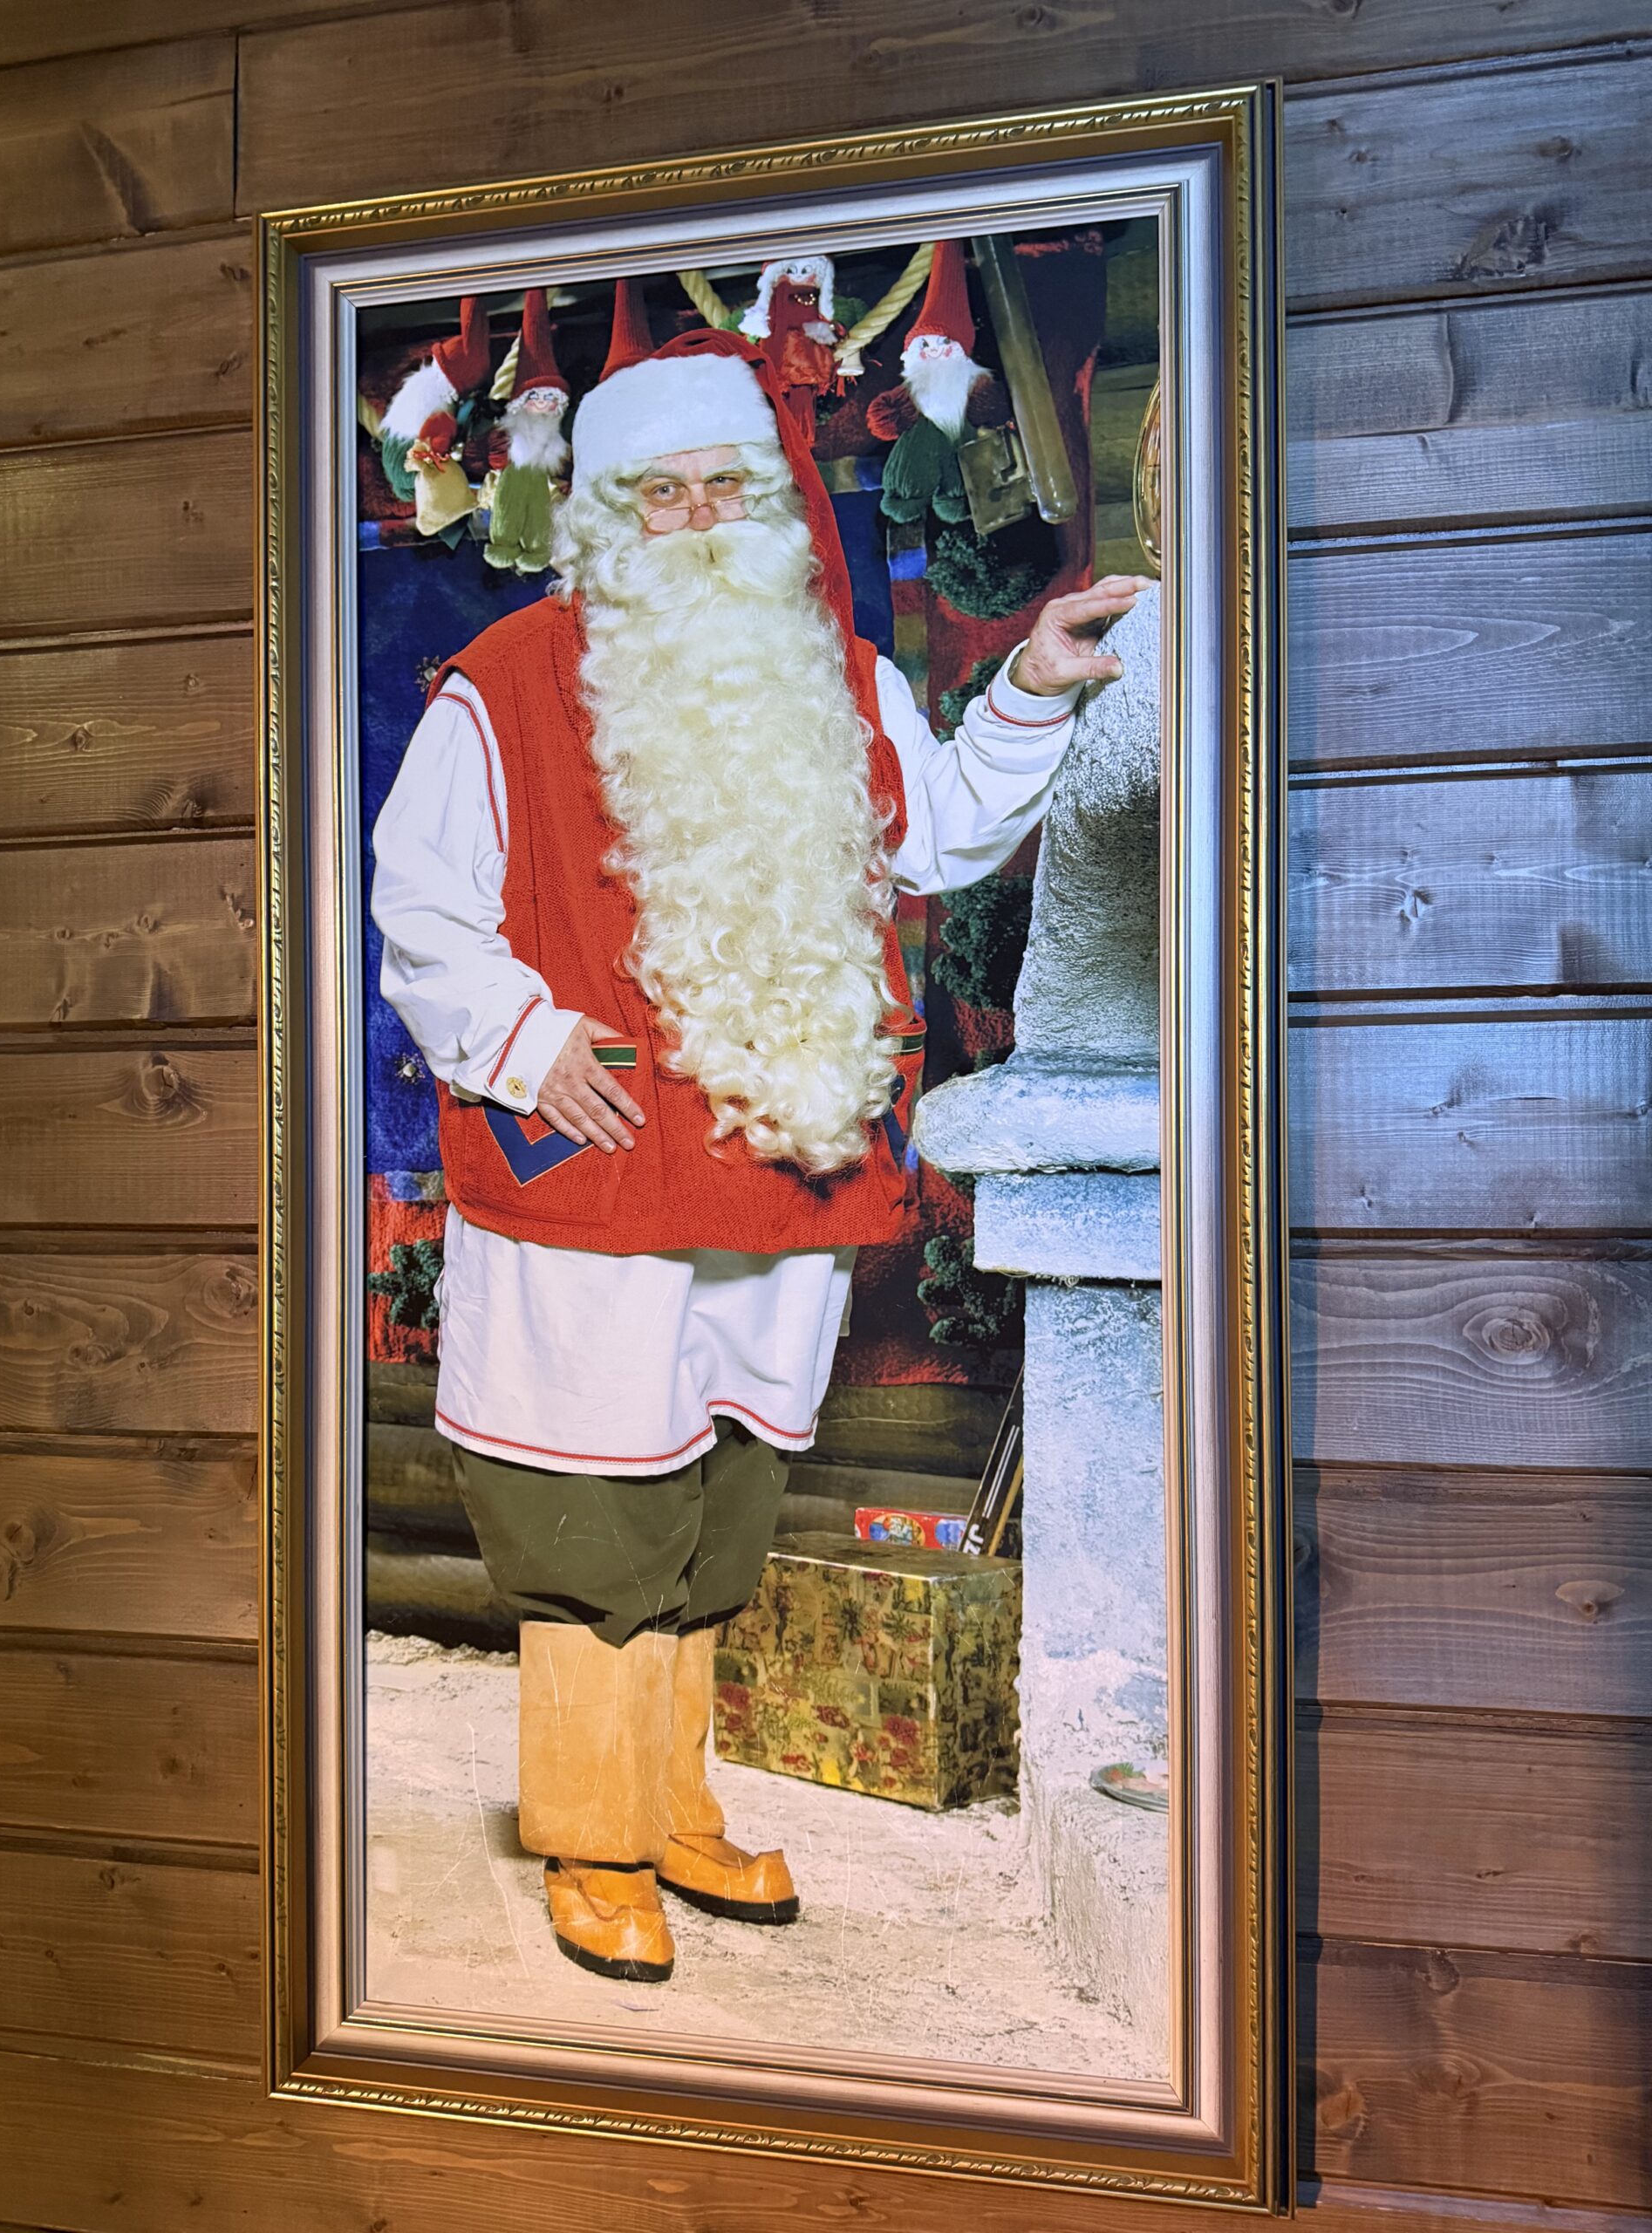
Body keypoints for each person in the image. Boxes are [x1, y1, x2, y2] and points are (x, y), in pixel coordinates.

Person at [371, 324, 1138, 1984]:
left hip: (781, 1174)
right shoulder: (508, 680)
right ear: (604, 511)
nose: (701, 518)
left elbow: (941, 829)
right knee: (593, 1518)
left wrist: (1030, 683)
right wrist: (526, 1042)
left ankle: (673, 1805)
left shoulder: (837, 675)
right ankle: (591, 1841)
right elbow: (420, 907)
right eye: (661, 493)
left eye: (729, 484)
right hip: (596, 1178)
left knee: (720, 1501)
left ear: (773, 505)